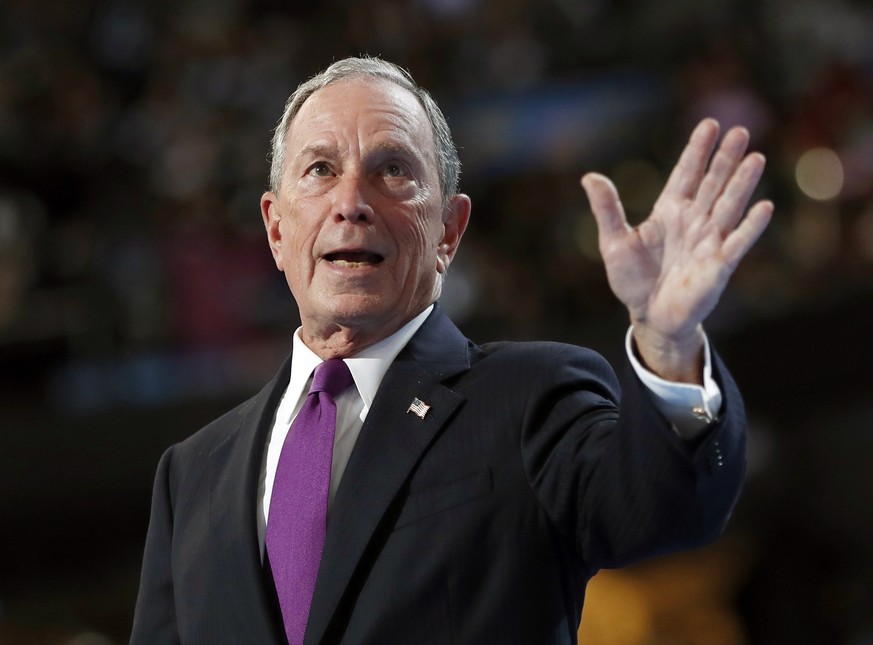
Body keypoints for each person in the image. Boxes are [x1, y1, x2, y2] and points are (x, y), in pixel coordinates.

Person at [131, 56, 772, 644]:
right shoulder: (192, 475)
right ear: (275, 227)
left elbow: (664, 508)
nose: (351, 202)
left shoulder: (528, 398)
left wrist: (668, 345)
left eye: (393, 169)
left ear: (449, 231)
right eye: (321, 169)